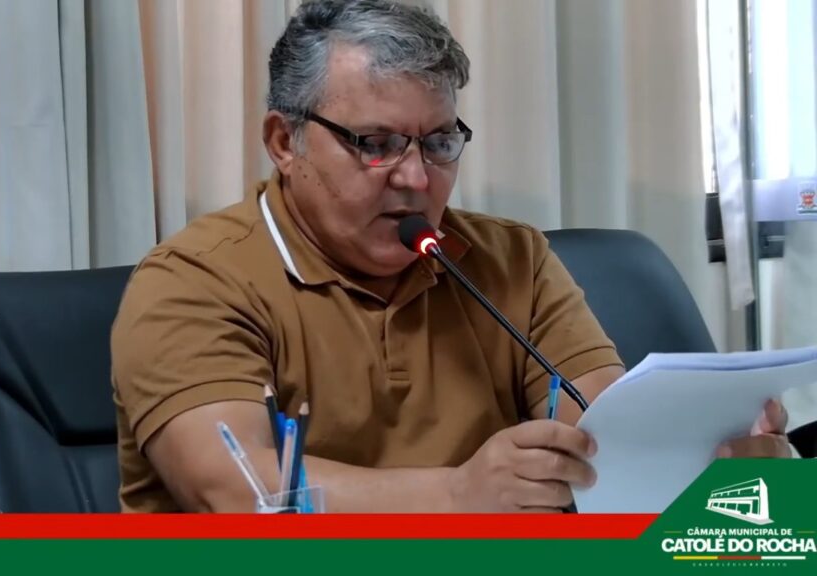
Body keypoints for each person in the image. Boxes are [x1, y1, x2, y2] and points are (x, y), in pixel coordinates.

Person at [110, 0, 794, 513]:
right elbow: (234, 492)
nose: (415, 178)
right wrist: (460, 493)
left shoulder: (511, 259)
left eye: (438, 143)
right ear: (285, 143)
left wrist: (704, 454)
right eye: (376, 144)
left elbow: (603, 437)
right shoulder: (194, 281)